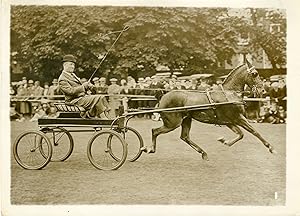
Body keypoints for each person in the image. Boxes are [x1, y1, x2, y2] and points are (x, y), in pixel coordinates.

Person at [58, 54, 110, 118]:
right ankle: (104, 118)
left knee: (101, 97)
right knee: (98, 98)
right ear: (65, 65)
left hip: (82, 98)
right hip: (73, 101)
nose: (73, 67)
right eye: (71, 64)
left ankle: (105, 115)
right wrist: (83, 87)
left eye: (73, 65)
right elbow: (70, 91)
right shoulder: (62, 78)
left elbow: (79, 86)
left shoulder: (73, 75)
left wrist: (88, 86)